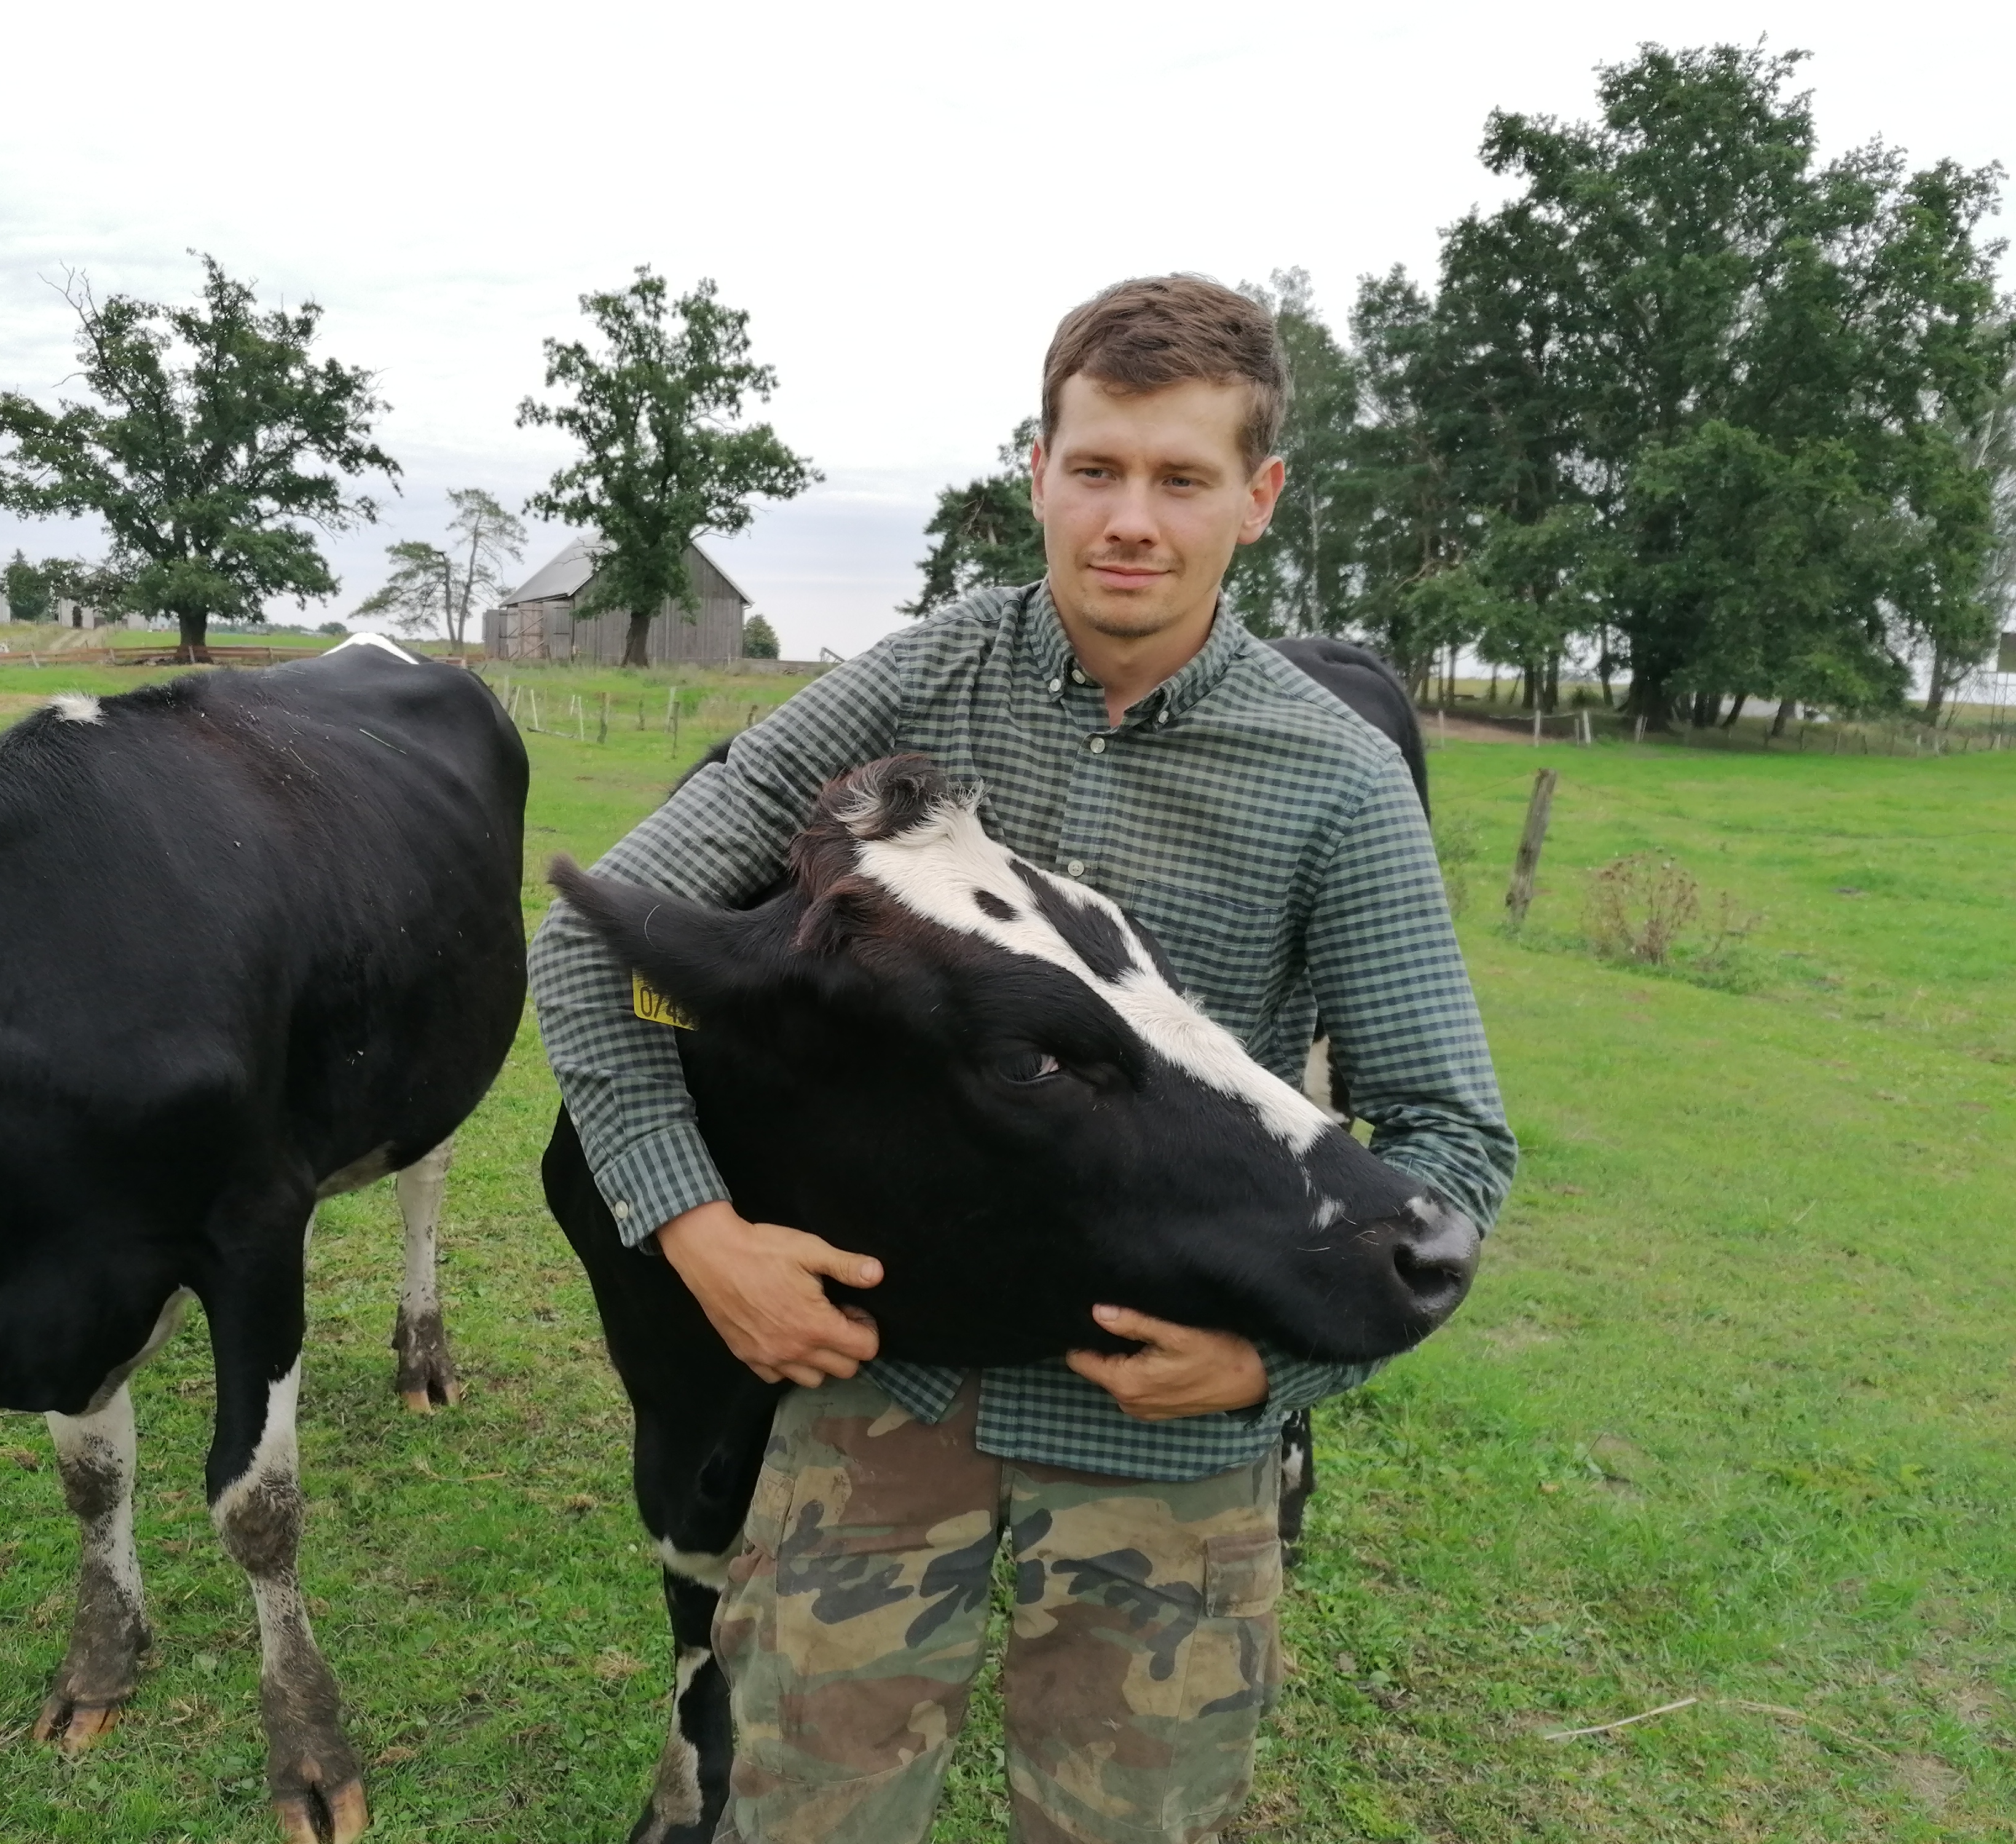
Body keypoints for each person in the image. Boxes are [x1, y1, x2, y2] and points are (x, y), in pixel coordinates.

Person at [529, 274, 1516, 1843]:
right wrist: (698, 1233)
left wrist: (1270, 1370)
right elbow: (592, 943)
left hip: (1165, 1422)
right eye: (1096, 468)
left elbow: (1450, 1136)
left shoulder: (1332, 776)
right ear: (1037, 469)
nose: (1130, 520)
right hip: (886, 1387)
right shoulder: (911, 686)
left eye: (1181, 478)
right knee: (802, 1812)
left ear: (1256, 497)